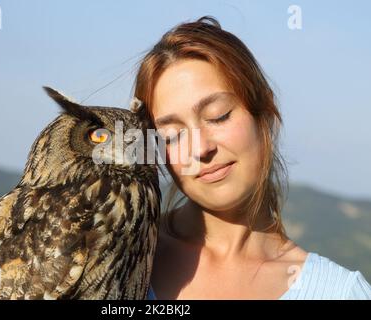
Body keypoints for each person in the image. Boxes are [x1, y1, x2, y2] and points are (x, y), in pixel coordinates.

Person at [133, 16, 371, 299]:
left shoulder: (339, 293)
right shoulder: (112, 258)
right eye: (171, 135)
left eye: (218, 116)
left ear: (265, 114)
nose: (200, 149)